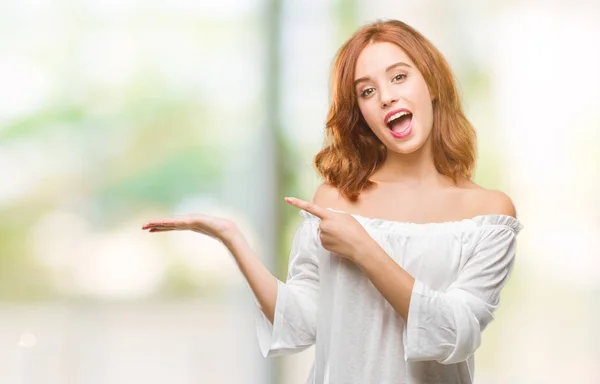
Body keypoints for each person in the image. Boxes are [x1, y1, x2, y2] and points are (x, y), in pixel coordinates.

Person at [142, 19, 523, 384]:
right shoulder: (335, 200)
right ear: (361, 114)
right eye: (367, 91)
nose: (387, 96)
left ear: (433, 84)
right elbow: (302, 322)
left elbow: (453, 334)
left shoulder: (488, 213)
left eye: (399, 76)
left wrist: (364, 249)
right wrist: (232, 238)